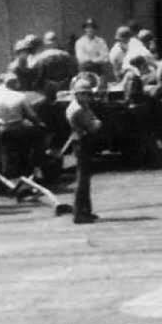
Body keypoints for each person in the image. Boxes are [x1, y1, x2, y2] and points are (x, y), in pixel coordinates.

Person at [66, 73, 104, 225]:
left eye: (89, 94)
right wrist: (97, 123)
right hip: (82, 142)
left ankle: (85, 210)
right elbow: (93, 126)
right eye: (85, 94)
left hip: (82, 140)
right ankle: (79, 213)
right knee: (82, 180)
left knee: (85, 179)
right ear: (78, 94)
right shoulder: (78, 110)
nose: (88, 97)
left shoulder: (81, 105)